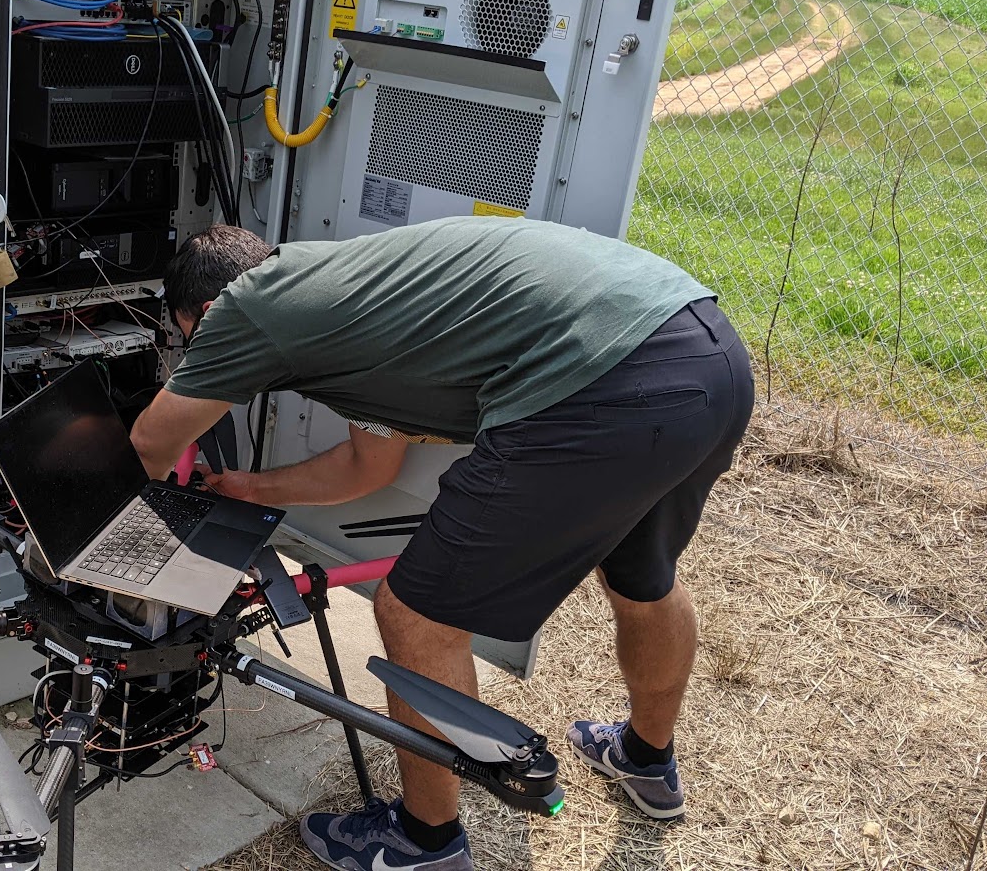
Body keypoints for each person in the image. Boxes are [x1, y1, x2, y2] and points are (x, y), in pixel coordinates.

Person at [128, 217, 754, 871]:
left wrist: (127, 550)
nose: (201, 358)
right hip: (704, 350)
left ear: (207, 313)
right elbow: (366, 469)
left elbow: (150, 442)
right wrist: (249, 489)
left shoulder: (245, 307)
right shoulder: (344, 298)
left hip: (604, 382)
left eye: (193, 341)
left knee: (414, 613)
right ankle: (646, 761)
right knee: (642, 577)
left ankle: (424, 843)